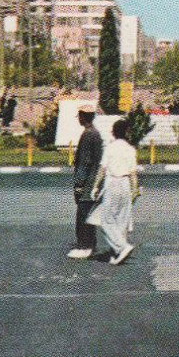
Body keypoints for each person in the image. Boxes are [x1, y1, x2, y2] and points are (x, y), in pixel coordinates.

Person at [89, 118, 140, 265]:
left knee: (106, 220)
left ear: (114, 133)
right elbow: (133, 173)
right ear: (127, 133)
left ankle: (122, 247)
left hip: (112, 183)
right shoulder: (131, 149)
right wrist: (135, 189)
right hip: (125, 184)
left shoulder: (110, 148)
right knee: (121, 221)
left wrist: (95, 186)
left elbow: (103, 169)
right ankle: (117, 253)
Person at [67, 108, 103, 259]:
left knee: (83, 214)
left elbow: (85, 162)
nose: (78, 119)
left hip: (88, 181)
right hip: (94, 180)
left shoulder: (88, 134)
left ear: (83, 117)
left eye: (79, 116)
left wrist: (79, 184)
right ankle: (90, 244)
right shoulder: (95, 133)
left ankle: (85, 246)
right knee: (88, 213)